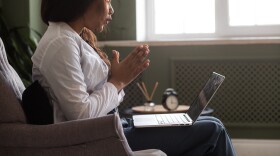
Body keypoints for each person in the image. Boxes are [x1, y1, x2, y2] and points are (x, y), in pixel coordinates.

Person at [32, 0, 236, 155]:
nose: (111, 9)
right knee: (213, 130)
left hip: (112, 127)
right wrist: (118, 81)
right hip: (97, 139)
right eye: (108, 0)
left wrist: (115, 80)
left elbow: (99, 99)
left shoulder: (71, 39)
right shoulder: (60, 44)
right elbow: (81, 116)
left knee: (210, 121)